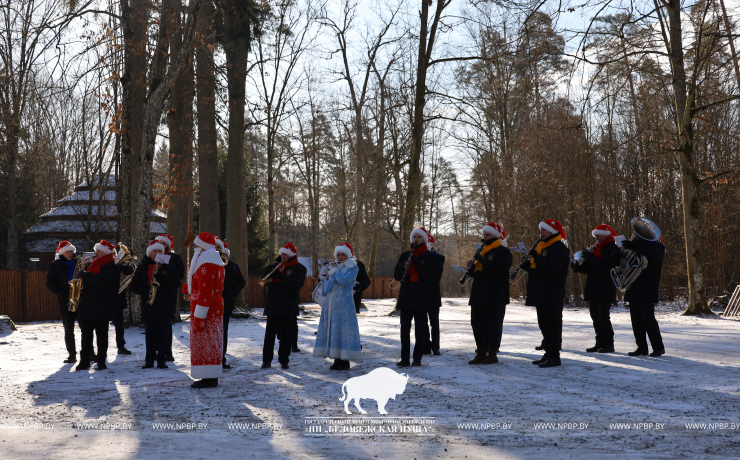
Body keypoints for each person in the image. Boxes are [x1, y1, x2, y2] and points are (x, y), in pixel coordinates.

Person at [521, 219, 571, 368]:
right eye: (541, 230)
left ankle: (555, 356)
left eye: (544, 230)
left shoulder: (560, 248)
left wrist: (536, 256)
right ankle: (548, 353)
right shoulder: (541, 246)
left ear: (552, 231)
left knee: (552, 325)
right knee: (543, 324)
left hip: (552, 292)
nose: (541, 233)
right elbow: (537, 269)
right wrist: (525, 263)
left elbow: (552, 267)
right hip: (540, 291)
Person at [613, 227, 666, 357]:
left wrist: (634, 246)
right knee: (636, 321)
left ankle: (658, 347)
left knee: (648, 320)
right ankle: (641, 347)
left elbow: (652, 254)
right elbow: (623, 266)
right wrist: (617, 256)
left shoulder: (657, 246)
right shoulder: (634, 248)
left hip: (648, 289)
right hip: (633, 288)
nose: (637, 236)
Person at [182, 232, 225, 388]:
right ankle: (209, 375)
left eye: (196, 244)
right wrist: (191, 288)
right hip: (212, 310)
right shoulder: (211, 260)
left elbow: (206, 293)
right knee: (211, 343)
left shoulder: (206, 264)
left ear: (203, 246)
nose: (194, 247)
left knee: (206, 343)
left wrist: (199, 317)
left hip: (206, 312)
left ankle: (208, 377)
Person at [467, 222, 513, 365]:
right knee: (475, 322)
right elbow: (478, 273)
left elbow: (499, 271)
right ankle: (481, 352)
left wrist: (481, 260)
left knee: (492, 323)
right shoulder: (482, 251)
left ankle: (492, 353)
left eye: (488, 234)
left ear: (496, 236)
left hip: (493, 293)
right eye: (484, 234)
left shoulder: (504, 252)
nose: (485, 237)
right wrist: (471, 268)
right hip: (478, 292)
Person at [394, 226, 439, 367]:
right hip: (406, 296)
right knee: (404, 329)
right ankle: (404, 358)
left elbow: (432, 277)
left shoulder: (431, 257)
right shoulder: (405, 255)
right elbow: (396, 275)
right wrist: (402, 266)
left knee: (420, 330)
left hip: (422, 297)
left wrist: (418, 263)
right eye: (414, 237)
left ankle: (417, 358)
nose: (416, 239)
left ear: (424, 239)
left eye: (419, 237)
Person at [131, 240, 179, 369]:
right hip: (149, 305)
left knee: (163, 335)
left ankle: (162, 360)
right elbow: (134, 285)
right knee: (150, 335)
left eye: (160, 251)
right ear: (149, 253)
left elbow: (175, 284)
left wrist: (162, 276)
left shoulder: (170, 267)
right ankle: (149, 360)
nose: (157, 253)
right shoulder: (142, 267)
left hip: (165, 305)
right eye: (155, 251)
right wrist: (145, 290)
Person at [314, 243, 363, 371]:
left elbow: (343, 281)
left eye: (343, 254)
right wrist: (324, 276)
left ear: (348, 255)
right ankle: (336, 359)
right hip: (331, 305)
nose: (340, 257)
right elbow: (325, 290)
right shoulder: (334, 268)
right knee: (334, 331)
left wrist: (334, 272)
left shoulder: (353, 268)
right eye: (338, 255)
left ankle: (345, 361)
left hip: (344, 305)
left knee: (344, 331)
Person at [571, 224, 619, 353]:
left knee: (603, 317)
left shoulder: (613, 248)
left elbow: (606, 266)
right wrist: (577, 266)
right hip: (593, 286)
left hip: (605, 287)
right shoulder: (594, 249)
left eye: (599, 235)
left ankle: (609, 344)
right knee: (595, 317)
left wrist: (590, 257)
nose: (597, 237)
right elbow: (589, 268)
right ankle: (599, 343)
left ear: (607, 235)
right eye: (596, 235)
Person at [75, 240, 120, 371]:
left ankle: (101, 361)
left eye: (98, 250)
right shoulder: (93, 264)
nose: (95, 253)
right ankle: (84, 360)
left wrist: (85, 275)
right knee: (86, 335)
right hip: (88, 305)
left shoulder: (112, 268)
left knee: (101, 336)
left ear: (105, 253)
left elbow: (101, 281)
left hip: (102, 307)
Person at [261, 242, 307, 370]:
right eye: (281, 254)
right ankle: (266, 360)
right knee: (269, 335)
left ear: (291, 255)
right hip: (273, 304)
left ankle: (284, 360)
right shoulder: (276, 266)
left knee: (286, 336)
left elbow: (296, 285)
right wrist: (266, 274)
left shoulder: (300, 268)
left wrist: (281, 277)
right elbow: (266, 282)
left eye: (285, 255)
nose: (282, 257)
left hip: (288, 305)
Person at [46, 241, 92, 363]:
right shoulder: (55, 265)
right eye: (67, 251)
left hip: (81, 300)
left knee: (86, 328)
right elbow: (50, 284)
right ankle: (72, 354)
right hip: (65, 301)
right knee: (68, 329)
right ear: (62, 253)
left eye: (71, 251)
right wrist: (63, 294)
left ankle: (90, 353)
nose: (70, 254)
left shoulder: (80, 264)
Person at [155, 234, 185, 362]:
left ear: (168, 245)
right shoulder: (151, 256)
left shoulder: (175, 257)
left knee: (167, 324)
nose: (161, 245)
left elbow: (180, 274)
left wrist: (166, 273)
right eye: (159, 242)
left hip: (168, 294)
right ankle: (156, 351)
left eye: (164, 243)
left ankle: (168, 351)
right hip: (155, 294)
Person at [217, 240, 246, 369]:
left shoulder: (232, 265)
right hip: (212, 301)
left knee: (223, 330)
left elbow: (240, 281)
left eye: (220, 249)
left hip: (226, 302)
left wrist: (232, 293)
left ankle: (221, 358)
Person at [424, 233, 445, 356]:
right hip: (421, 295)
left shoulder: (439, 258)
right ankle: (425, 346)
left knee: (434, 323)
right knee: (422, 323)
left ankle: (436, 347)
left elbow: (435, 275)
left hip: (433, 295)